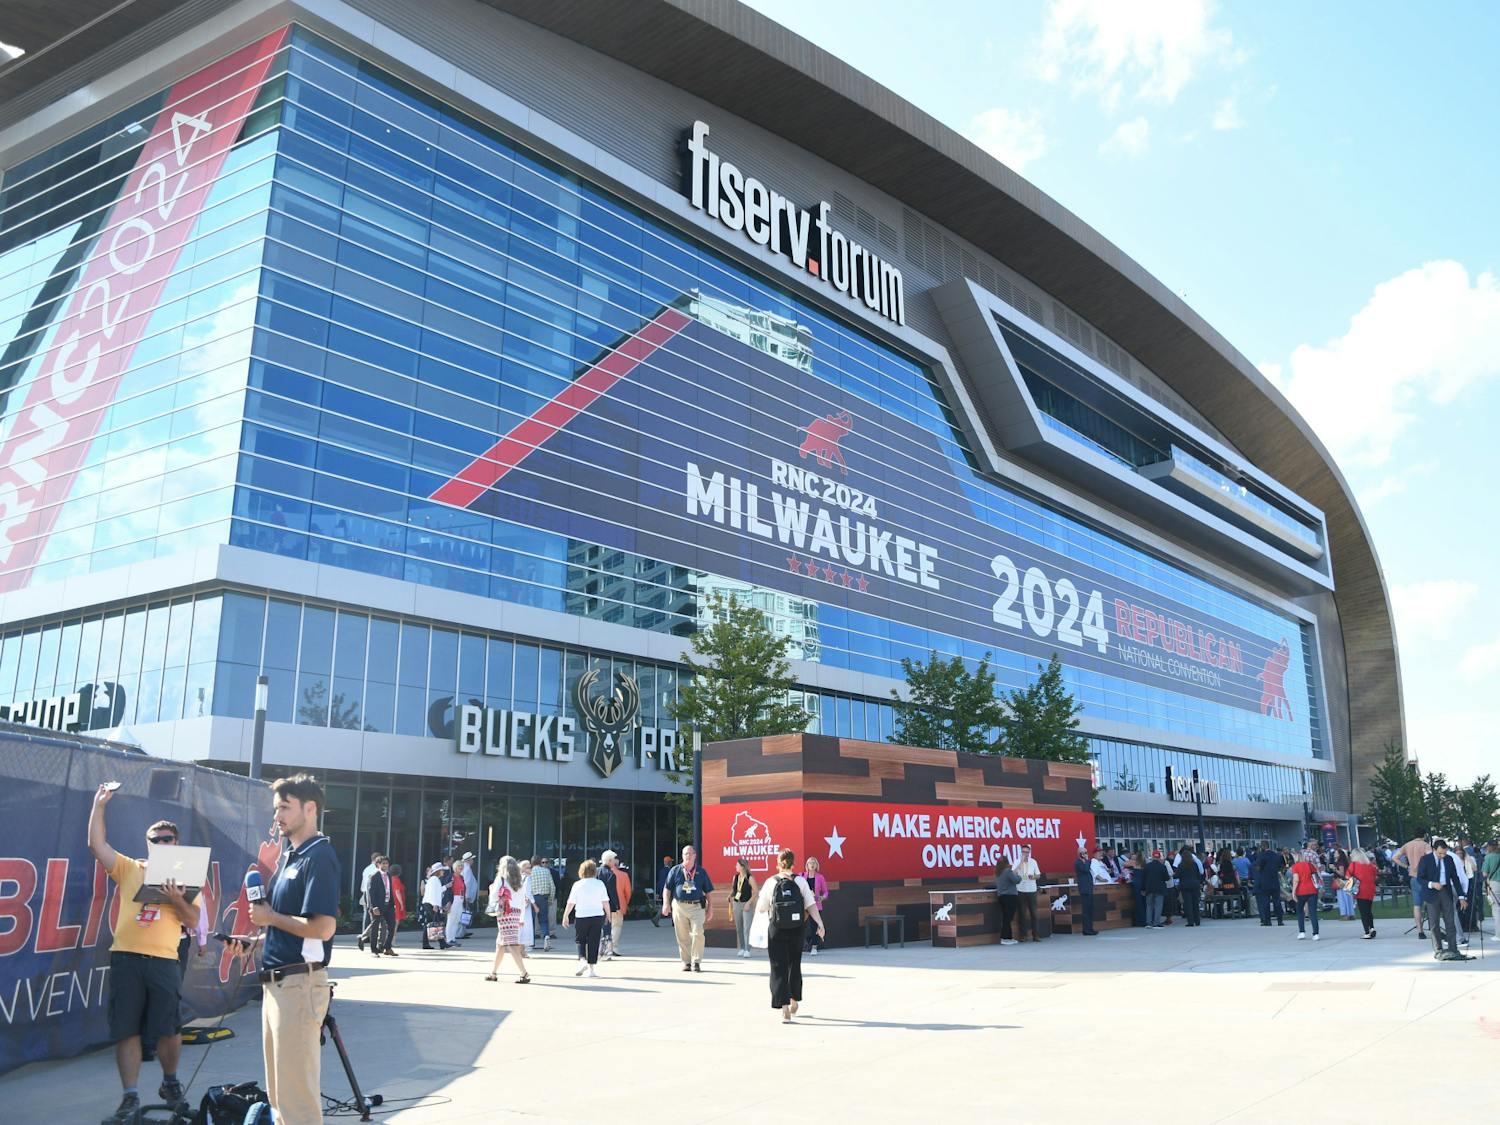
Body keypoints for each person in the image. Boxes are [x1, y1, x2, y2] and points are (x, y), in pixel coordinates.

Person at [225, 775, 340, 1125]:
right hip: (278, 985)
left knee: (296, 1100)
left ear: (310, 808)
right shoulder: (292, 855)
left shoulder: (318, 856)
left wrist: (270, 917)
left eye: (285, 808)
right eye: (276, 809)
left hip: (298, 987)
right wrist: (255, 942)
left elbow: (322, 928)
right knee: (280, 1098)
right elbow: (293, 931)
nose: (277, 816)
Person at [88, 785, 201, 1124]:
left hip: (165, 960)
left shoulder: (188, 876)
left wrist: (177, 898)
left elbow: (193, 921)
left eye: (168, 839)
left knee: (169, 1028)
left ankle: (170, 1083)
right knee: (128, 1030)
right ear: (148, 844)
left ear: (176, 844)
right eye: (157, 839)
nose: (162, 843)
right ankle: (130, 1097)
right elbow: (97, 845)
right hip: (126, 957)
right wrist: (98, 805)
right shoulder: (130, 868)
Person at [755, 848, 825, 1022]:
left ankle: (784, 1006)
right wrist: (820, 924)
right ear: (793, 864)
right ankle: (794, 1000)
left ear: (778, 864)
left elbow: (762, 908)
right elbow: (811, 905)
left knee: (778, 966)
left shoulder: (771, 882)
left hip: (777, 928)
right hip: (797, 928)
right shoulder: (800, 881)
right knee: (794, 964)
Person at [1417, 839, 1472, 961]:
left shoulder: (1449, 859)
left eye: (1444, 853)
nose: (1442, 856)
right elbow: (1419, 878)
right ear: (1434, 850)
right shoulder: (1425, 860)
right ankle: (1438, 949)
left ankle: (1453, 949)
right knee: (1434, 923)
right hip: (1431, 894)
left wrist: (1462, 896)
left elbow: (1455, 878)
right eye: (1440, 853)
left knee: (1450, 921)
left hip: (1446, 892)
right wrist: (1431, 884)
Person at [661, 845, 714, 971]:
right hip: (679, 906)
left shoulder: (701, 872)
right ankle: (686, 962)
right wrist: (666, 904)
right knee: (682, 935)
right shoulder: (675, 870)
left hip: (697, 907)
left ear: (695, 855)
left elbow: (708, 892)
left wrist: (710, 908)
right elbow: (667, 888)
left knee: (698, 933)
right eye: (685, 854)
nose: (688, 856)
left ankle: (696, 961)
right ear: (682, 856)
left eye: (690, 853)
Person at [486, 855, 532, 983]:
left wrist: (491, 891)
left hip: (505, 913)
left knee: (511, 944)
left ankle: (524, 973)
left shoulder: (501, 879)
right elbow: (523, 901)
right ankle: (493, 972)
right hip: (516, 914)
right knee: (500, 944)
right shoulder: (519, 881)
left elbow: (494, 897)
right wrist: (521, 918)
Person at [563, 858, 612, 976]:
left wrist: (566, 915)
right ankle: (591, 970)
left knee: (580, 940)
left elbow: (571, 902)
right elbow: (605, 902)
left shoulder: (577, 885)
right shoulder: (600, 884)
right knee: (594, 941)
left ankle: (582, 960)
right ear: (594, 871)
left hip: (582, 916)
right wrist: (609, 915)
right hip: (597, 916)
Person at [1395, 828, 1433, 939]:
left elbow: (1394, 857)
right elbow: (1431, 858)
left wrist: (1406, 866)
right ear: (1424, 835)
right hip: (1425, 877)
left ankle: (1420, 931)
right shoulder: (1425, 845)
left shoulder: (1407, 845)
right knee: (1430, 903)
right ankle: (1433, 927)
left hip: (1413, 876)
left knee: (1417, 905)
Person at [602, 850, 633, 957]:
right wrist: (625, 902)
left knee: (605, 926)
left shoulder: (600, 872)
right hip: (618, 905)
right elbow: (628, 892)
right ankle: (613, 947)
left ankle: (604, 946)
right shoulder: (623, 875)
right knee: (616, 926)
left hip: (603, 905)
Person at [362, 857, 394, 958]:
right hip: (377, 906)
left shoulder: (389, 875)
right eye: (383, 863)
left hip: (388, 905)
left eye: (386, 863)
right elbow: (370, 894)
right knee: (375, 928)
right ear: (378, 865)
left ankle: (387, 947)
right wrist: (373, 907)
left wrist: (393, 904)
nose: (385, 865)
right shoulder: (374, 876)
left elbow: (389, 890)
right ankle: (374, 949)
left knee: (392, 926)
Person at [1346, 848, 1378, 938]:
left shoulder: (1353, 865)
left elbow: (1347, 875)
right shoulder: (1370, 865)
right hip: (1370, 889)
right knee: (1368, 910)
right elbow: (1374, 876)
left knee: (1363, 912)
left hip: (1360, 889)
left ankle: (1367, 932)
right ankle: (1371, 927)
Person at [729, 859, 758, 957]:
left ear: (742, 866)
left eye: (737, 865)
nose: (735, 867)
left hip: (746, 905)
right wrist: (730, 897)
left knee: (747, 928)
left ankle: (747, 949)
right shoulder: (735, 877)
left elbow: (756, 892)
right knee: (739, 927)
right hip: (737, 904)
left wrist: (749, 903)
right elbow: (734, 890)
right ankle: (741, 948)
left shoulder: (750, 878)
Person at [1252, 839, 1285, 926]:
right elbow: (1281, 867)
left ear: (1262, 846)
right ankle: (1280, 920)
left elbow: (1258, 867)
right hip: (1274, 881)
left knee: (1265, 902)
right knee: (1277, 902)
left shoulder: (1262, 855)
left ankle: (1267, 921)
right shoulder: (1276, 855)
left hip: (1264, 882)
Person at [1290, 848, 1321, 941]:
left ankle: (1302, 932)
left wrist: (1293, 892)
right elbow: (1315, 875)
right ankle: (1315, 934)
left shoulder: (1295, 866)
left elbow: (1296, 880)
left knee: (1300, 912)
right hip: (1312, 890)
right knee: (1313, 912)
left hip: (1301, 891)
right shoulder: (1310, 865)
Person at [1014, 844, 1042, 941]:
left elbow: (1038, 875)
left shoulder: (1033, 862)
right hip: (1021, 890)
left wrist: (1033, 877)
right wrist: (1021, 862)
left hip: (1031, 890)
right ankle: (1023, 935)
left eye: (1027, 852)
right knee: (1022, 914)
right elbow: (1013, 873)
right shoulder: (1017, 861)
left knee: (1034, 913)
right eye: (1023, 852)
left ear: (1029, 853)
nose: (1025, 854)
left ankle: (1036, 935)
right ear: (1021, 852)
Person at [803, 856, 830, 954]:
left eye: (814, 862)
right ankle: (804, 945)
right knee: (801, 926)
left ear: (816, 865)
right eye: (810, 862)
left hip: (815, 905)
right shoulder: (802, 876)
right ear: (807, 865)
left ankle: (814, 947)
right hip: (804, 905)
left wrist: (822, 897)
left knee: (815, 926)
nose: (812, 864)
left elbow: (826, 892)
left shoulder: (820, 877)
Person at [529, 855, 555, 951]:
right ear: (540, 862)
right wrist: (550, 900)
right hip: (543, 898)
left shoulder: (529, 872)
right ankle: (546, 936)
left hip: (532, 898)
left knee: (530, 920)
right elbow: (552, 887)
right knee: (544, 920)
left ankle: (530, 941)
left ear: (531, 863)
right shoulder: (546, 871)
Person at [357, 850, 381, 952]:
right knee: (372, 916)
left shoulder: (366, 869)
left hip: (365, 893)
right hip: (370, 894)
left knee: (367, 915)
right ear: (376, 860)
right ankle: (367, 936)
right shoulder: (374, 869)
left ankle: (366, 935)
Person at [1174, 846, 1204, 927]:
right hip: (1195, 885)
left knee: (1188, 904)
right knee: (1195, 903)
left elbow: (1177, 875)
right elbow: (1199, 875)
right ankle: (1197, 921)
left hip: (1185, 886)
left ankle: (1190, 921)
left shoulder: (1181, 865)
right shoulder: (1194, 864)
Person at [421, 863, 448, 950]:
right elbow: (434, 894)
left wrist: (446, 887)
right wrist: (435, 905)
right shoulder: (435, 879)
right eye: (442, 870)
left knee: (430, 923)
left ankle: (427, 943)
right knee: (437, 922)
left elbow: (437, 891)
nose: (443, 872)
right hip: (431, 904)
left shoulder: (433, 879)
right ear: (438, 871)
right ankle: (442, 943)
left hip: (429, 903)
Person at [995, 857, 1021, 944]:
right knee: (1008, 918)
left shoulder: (998, 872)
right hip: (1010, 897)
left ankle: (1009, 938)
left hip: (1001, 897)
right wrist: (1018, 875)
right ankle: (1004, 938)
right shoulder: (1008, 871)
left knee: (1007, 918)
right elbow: (1016, 880)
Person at [1073, 848, 1099, 936]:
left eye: (1086, 852)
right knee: (1086, 910)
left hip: (1089, 888)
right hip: (1084, 889)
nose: (1085, 854)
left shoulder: (1085, 862)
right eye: (1083, 853)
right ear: (1079, 854)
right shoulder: (1078, 862)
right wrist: (1087, 860)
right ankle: (1086, 930)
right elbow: (1085, 869)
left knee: (1090, 909)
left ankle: (1090, 928)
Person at [1142, 850, 1169, 928]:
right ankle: (1156, 922)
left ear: (1152, 856)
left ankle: (1148, 922)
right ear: (1159, 857)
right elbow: (1166, 878)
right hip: (1160, 889)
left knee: (1149, 905)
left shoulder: (1147, 866)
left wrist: (1143, 889)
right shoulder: (1162, 866)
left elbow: (1144, 878)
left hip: (1149, 888)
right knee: (1158, 906)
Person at [446, 856, 466, 948]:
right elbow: (447, 890)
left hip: (460, 899)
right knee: (451, 920)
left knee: (457, 920)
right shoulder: (451, 877)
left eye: (461, 866)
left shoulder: (461, 877)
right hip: (453, 899)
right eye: (459, 866)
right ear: (455, 868)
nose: (460, 868)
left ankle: (453, 938)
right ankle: (449, 939)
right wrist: (448, 902)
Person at [386, 863, 406, 955]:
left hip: (393, 902)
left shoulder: (390, 879)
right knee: (395, 923)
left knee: (393, 923)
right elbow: (397, 892)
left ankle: (391, 940)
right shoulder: (396, 880)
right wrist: (401, 903)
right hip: (396, 903)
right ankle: (392, 940)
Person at [517, 860, 536, 952]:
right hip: (526, 904)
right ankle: (526, 944)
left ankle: (519, 943)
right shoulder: (528, 878)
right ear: (523, 869)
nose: (531, 869)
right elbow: (528, 893)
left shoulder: (517, 878)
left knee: (520, 923)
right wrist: (535, 905)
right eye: (528, 867)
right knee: (527, 924)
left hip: (518, 903)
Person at [460, 852, 479, 937]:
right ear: (468, 860)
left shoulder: (466, 868)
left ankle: (463, 931)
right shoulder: (467, 869)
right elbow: (466, 884)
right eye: (472, 859)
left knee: (465, 913)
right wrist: (466, 896)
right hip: (466, 896)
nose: (473, 861)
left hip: (466, 895)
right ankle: (460, 932)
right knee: (464, 913)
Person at [1484, 842, 1500, 935]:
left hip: (1494, 883)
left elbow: (1484, 873)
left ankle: (1498, 934)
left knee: (1496, 908)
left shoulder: (1489, 857)